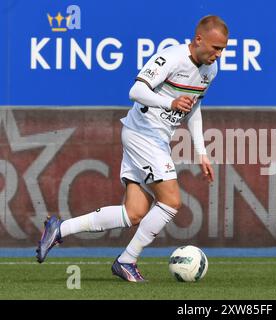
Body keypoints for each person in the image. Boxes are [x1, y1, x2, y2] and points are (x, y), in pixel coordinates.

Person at [36, 15, 229, 282]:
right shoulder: (171, 58)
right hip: (142, 134)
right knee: (171, 201)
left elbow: (194, 107)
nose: (219, 54)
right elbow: (136, 91)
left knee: (134, 212)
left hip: (157, 139)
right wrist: (169, 103)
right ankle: (127, 260)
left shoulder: (210, 71)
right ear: (198, 39)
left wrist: (202, 152)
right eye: (216, 48)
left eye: (223, 49)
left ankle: (59, 229)